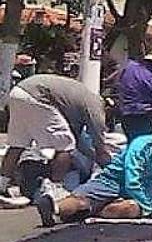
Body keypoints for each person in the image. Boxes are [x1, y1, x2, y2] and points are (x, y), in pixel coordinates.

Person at [39, 126, 152, 225]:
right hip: (113, 180)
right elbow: (132, 182)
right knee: (81, 200)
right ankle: (54, 208)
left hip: (144, 187)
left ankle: (98, 211)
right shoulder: (141, 146)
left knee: (134, 208)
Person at [1, 73, 113, 202]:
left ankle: (2, 185)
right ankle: (56, 187)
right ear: (107, 107)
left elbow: (79, 141)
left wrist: (93, 155)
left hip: (18, 92)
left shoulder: (76, 103)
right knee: (65, 145)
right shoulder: (96, 104)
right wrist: (105, 160)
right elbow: (98, 138)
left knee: (18, 144)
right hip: (38, 96)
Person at [116, 45, 152, 137]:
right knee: (142, 144)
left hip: (125, 115)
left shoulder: (130, 67)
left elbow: (118, 84)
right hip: (143, 117)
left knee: (132, 142)